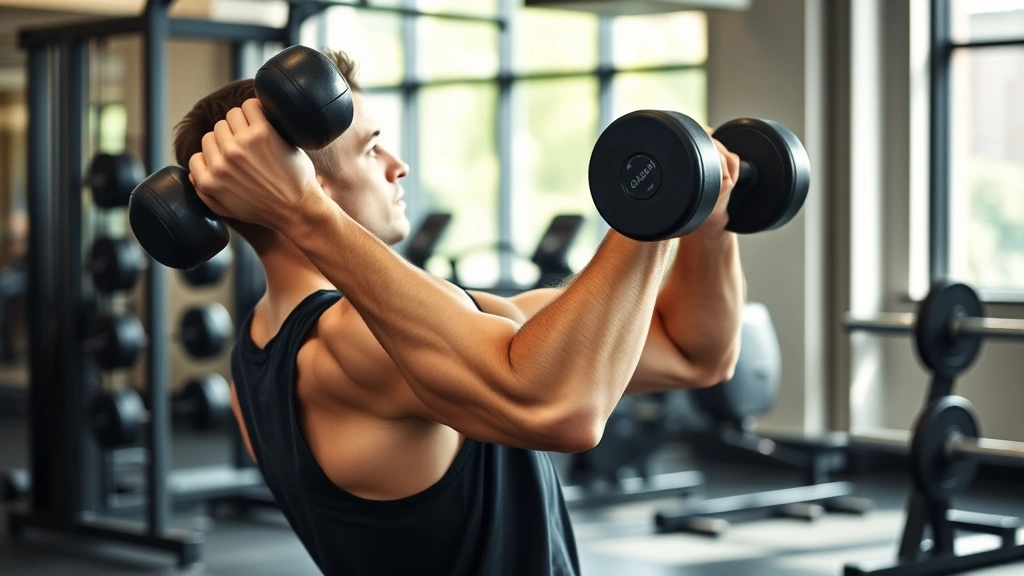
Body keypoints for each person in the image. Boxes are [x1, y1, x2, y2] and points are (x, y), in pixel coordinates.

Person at [176, 48, 746, 576]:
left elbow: (692, 352)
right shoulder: (351, 340)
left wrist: (708, 225)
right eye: (372, 149)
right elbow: (564, 409)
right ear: (304, 184)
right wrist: (654, 203)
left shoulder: (253, 350)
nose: (398, 166)